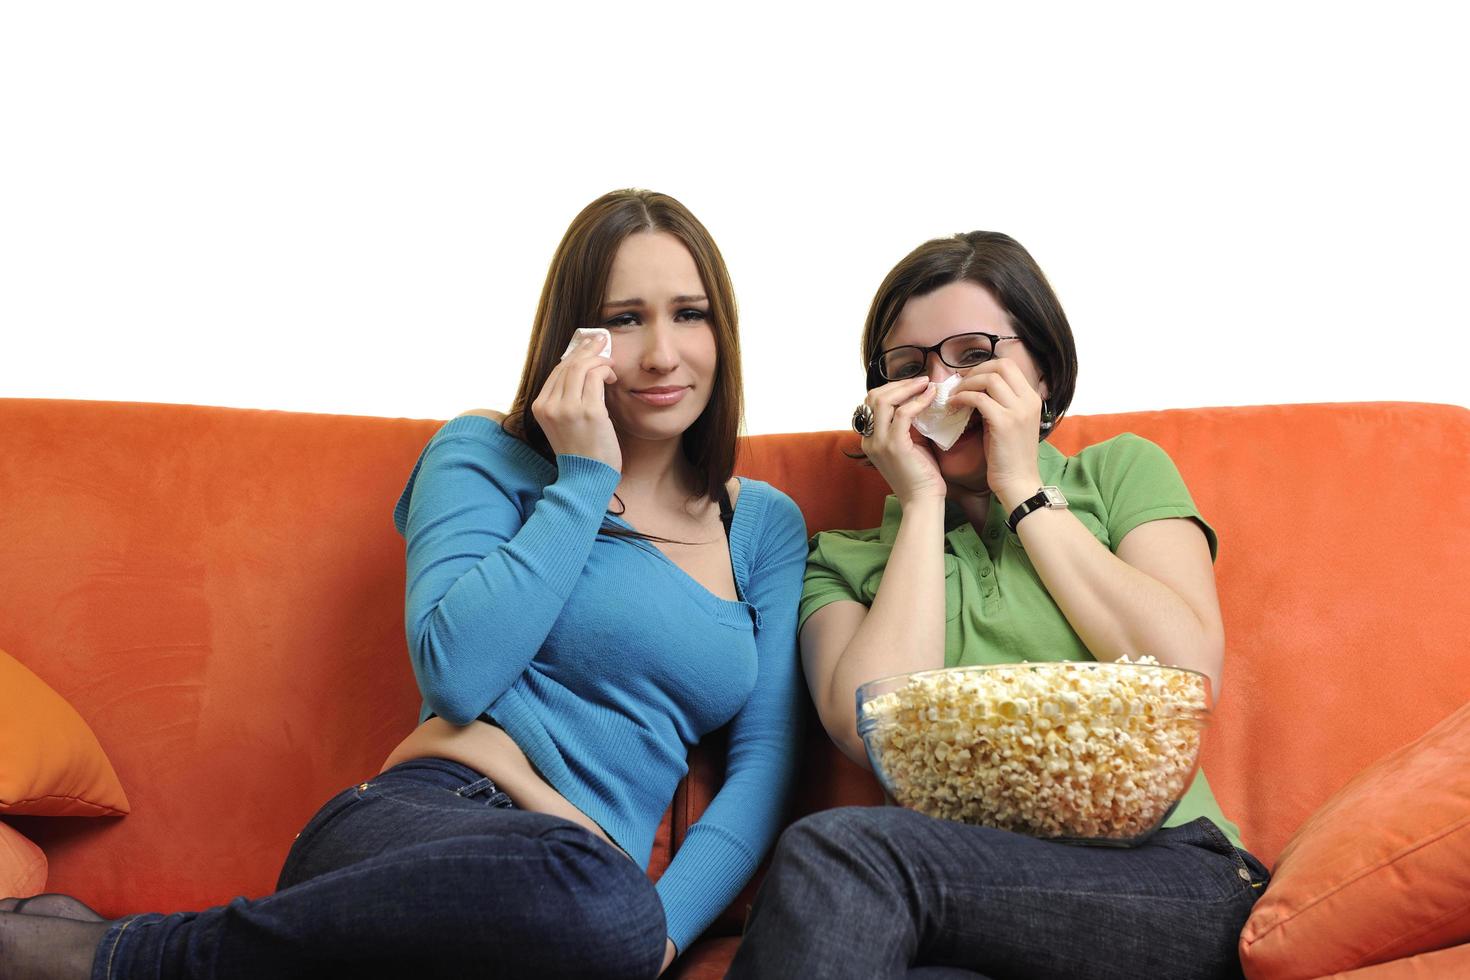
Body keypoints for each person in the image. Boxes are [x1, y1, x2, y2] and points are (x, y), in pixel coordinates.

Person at [0, 189, 807, 980]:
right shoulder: (485, 454)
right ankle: (121, 958)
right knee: (597, 898)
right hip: (422, 819)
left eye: (688, 314)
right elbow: (458, 676)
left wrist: (654, 941)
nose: (662, 352)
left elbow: (764, 766)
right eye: (625, 319)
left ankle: (108, 948)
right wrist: (584, 477)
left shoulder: (760, 526)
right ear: (575, 340)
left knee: (606, 908)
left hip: (564, 897)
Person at [726, 231, 1269, 980]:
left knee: (837, 847)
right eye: (910, 368)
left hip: (1170, 874)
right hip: (963, 893)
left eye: (975, 354)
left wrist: (1022, 487)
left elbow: (1183, 674)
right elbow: (867, 729)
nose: (943, 386)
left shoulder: (1121, 474)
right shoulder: (841, 560)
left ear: (1041, 367)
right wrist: (920, 504)